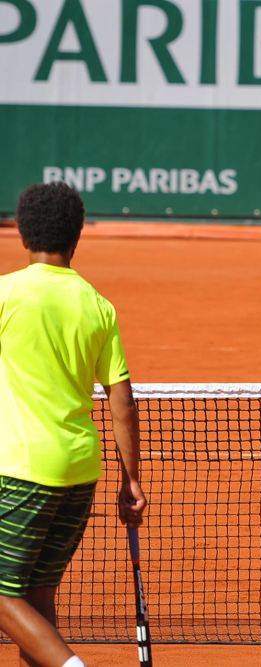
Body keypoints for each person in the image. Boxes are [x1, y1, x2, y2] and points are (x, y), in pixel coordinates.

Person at [0, 183, 147, 667]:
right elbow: (121, 400)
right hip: (79, 473)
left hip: (19, 469)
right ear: (76, 237)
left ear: (22, 234)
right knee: (37, 598)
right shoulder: (97, 305)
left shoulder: (5, 295)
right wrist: (131, 481)